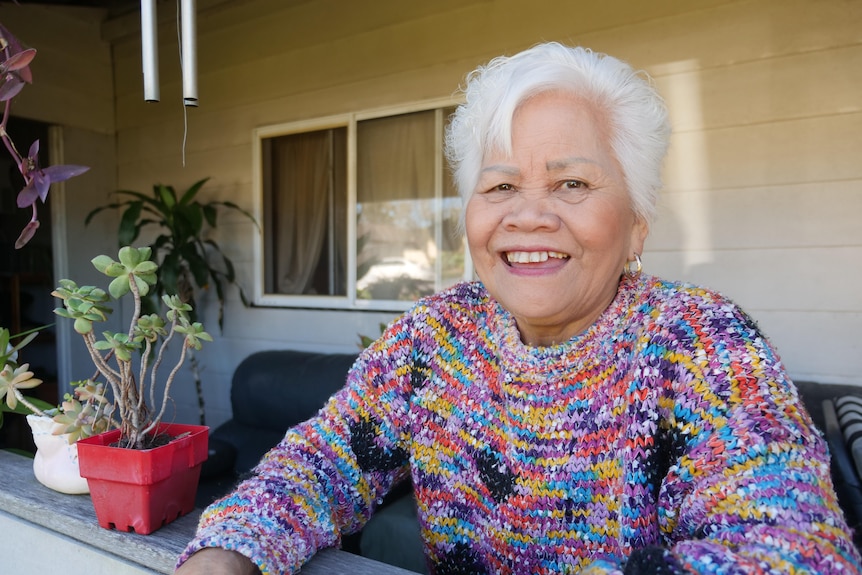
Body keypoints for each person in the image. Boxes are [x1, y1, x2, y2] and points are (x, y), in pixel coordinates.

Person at [176, 42, 861, 575]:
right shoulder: (436, 337)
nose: (528, 215)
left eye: (572, 182)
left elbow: (796, 550)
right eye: (500, 184)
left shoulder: (700, 343)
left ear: (636, 224)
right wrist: (230, 549)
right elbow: (321, 464)